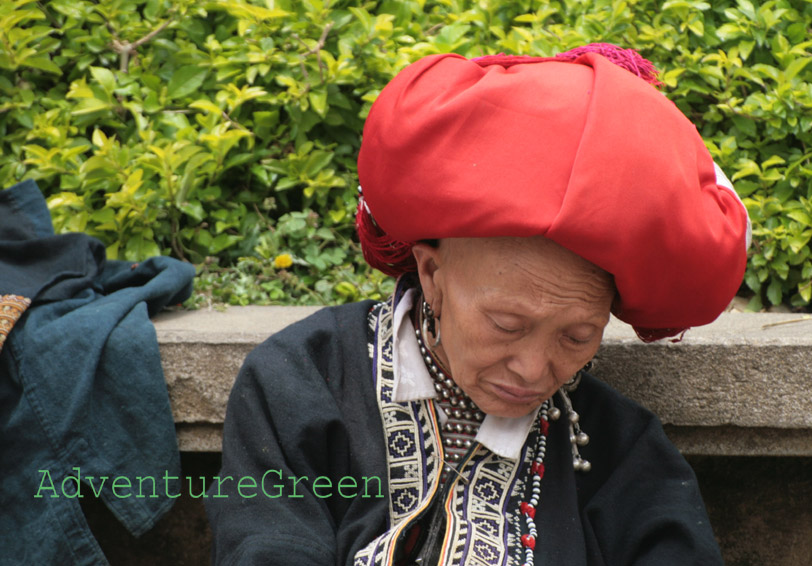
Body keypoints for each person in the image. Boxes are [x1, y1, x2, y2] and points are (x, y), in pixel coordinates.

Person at [206, 43, 749, 565]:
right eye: (507, 324)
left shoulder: (620, 450)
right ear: (432, 274)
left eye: (577, 336)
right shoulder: (304, 380)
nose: (535, 370)